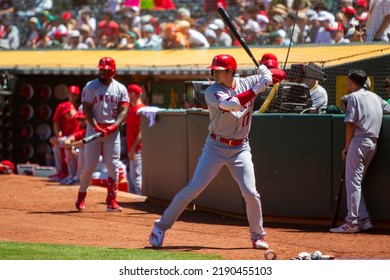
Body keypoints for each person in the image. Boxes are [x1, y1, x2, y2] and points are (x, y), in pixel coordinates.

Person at [149, 54, 272, 249]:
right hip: (216, 147)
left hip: (241, 148)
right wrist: (259, 86)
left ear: (231, 71)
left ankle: (257, 236)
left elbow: (278, 74)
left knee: (251, 192)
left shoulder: (246, 81)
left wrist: (267, 71)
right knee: (193, 189)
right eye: (213, 70)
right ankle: (160, 227)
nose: (214, 73)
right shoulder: (212, 90)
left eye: (219, 70)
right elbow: (233, 104)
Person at [330, 69, 390, 233]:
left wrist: (347, 148)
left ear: (352, 82)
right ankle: (364, 219)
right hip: (373, 143)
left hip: (358, 141)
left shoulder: (353, 97)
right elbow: (388, 109)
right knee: (356, 183)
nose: (346, 83)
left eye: (348, 81)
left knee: (353, 183)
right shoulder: (375, 97)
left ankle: (351, 223)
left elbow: (350, 124)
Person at [75, 57, 129, 212]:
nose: (102, 72)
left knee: (113, 167)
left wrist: (114, 126)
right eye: (101, 69)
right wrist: (95, 126)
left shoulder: (120, 88)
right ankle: (81, 195)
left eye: (105, 69)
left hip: (112, 132)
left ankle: (111, 201)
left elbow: (124, 110)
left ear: (112, 70)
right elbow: (87, 108)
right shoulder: (91, 86)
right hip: (94, 129)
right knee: (90, 165)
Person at [49, 85, 81, 182]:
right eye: (70, 94)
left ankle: (71, 174)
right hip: (67, 137)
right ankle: (62, 172)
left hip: (77, 138)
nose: (72, 96)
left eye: (74, 95)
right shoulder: (62, 106)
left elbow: (80, 131)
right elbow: (56, 123)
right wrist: (59, 137)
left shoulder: (80, 108)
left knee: (66, 145)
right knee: (58, 143)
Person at [125, 84, 146, 195]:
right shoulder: (132, 109)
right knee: (133, 179)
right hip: (133, 149)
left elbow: (142, 132)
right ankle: (137, 201)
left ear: (133, 94)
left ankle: (143, 202)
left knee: (137, 179)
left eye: (128, 93)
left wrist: (133, 149)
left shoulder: (141, 109)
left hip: (138, 149)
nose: (127, 95)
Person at [62, 110, 88, 185]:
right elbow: (67, 140)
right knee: (68, 150)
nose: (81, 122)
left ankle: (79, 177)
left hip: (101, 161)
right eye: (79, 120)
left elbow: (85, 142)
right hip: (91, 159)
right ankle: (72, 175)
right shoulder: (83, 130)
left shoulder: (92, 129)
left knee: (81, 150)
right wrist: (70, 148)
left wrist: (72, 145)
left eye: (83, 120)